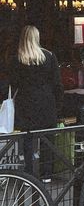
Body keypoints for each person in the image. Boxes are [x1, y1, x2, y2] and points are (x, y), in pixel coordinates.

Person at [9, 25, 64, 181]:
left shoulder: (17, 60)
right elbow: (58, 84)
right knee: (47, 140)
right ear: (37, 38)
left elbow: (13, 83)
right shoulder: (50, 56)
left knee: (27, 141)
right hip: (47, 103)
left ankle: (29, 175)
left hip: (26, 104)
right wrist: (58, 106)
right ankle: (46, 174)